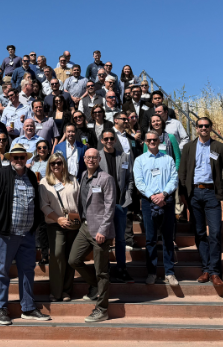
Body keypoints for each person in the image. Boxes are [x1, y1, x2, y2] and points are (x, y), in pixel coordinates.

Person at [0, 143, 51, 326]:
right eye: (16, 157)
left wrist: (34, 226)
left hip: (27, 234)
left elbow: (36, 203)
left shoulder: (30, 176)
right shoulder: (0, 175)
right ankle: (1, 308)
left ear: (26, 159)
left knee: (27, 271)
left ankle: (27, 307)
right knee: (2, 272)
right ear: (10, 158)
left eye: (22, 157)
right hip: (5, 234)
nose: (19, 160)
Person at [180, 117, 223, 286]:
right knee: (200, 233)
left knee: (214, 232)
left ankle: (215, 272)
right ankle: (206, 269)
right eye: (200, 126)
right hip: (194, 194)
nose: (203, 128)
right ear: (196, 129)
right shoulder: (188, 147)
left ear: (211, 128)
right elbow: (182, 172)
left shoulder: (219, 147)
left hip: (212, 194)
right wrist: (183, 194)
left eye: (206, 126)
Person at [69, 148, 116, 323]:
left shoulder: (106, 179)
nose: (90, 160)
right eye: (88, 157)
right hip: (85, 226)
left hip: (99, 231)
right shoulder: (83, 175)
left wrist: (103, 230)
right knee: (73, 260)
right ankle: (96, 285)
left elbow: (110, 206)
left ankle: (102, 309)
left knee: (101, 271)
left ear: (99, 158)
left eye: (94, 157)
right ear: (84, 159)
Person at [134, 130, 179, 286]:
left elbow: (174, 179)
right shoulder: (139, 160)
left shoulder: (168, 159)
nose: (152, 142)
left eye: (155, 140)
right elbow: (139, 182)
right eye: (149, 140)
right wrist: (153, 196)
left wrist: (163, 194)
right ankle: (152, 272)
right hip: (148, 202)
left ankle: (170, 272)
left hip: (166, 201)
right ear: (146, 142)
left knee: (168, 238)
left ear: (160, 141)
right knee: (150, 239)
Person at [38, 153, 79, 303]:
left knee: (70, 257)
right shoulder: (45, 182)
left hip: (74, 223)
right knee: (57, 255)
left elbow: (79, 199)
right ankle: (56, 292)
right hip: (55, 224)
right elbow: (44, 205)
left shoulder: (73, 180)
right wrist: (59, 219)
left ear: (64, 164)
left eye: (59, 163)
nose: (56, 166)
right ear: (49, 165)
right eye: (53, 163)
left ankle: (67, 291)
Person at [98, 130, 135, 283]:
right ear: (101, 140)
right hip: (102, 205)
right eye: (106, 138)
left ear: (115, 140)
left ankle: (121, 268)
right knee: (104, 238)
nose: (109, 141)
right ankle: (104, 268)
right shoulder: (97, 157)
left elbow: (130, 179)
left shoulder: (124, 156)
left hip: (120, 203)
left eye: (111, 138)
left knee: (120, 239)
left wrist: (129, 194)